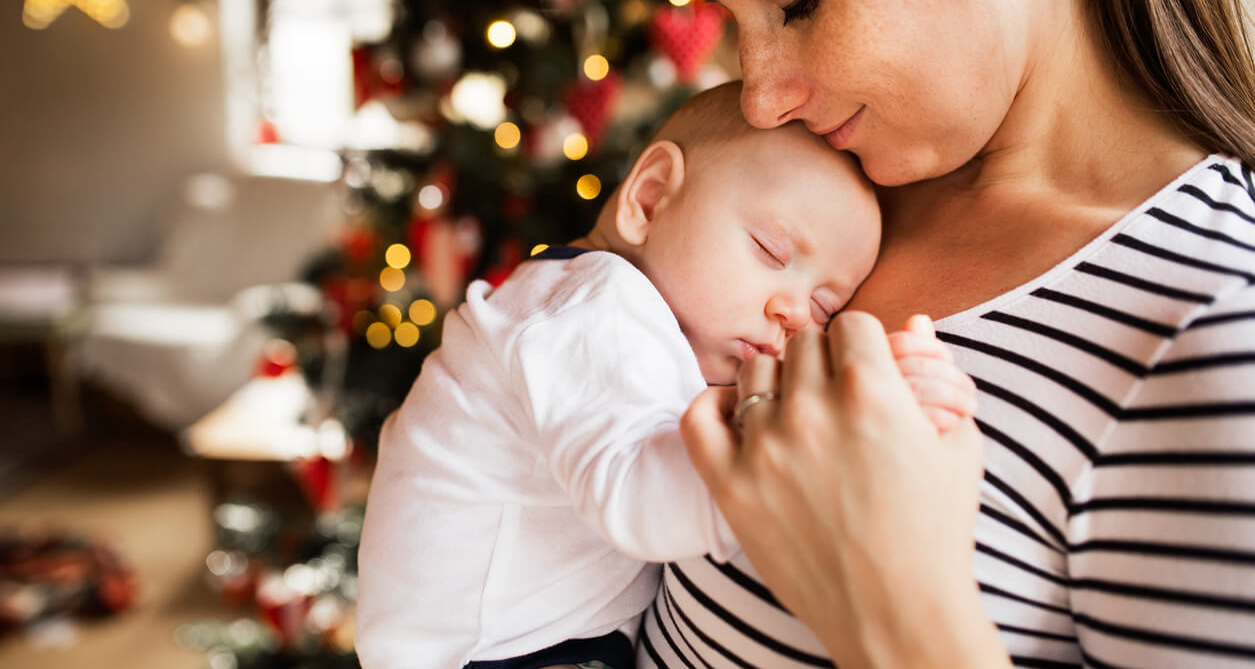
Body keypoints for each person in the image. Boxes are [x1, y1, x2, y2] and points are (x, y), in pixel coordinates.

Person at [638, 0, 1255, 667]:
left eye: (794, 1)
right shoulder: (816, 198)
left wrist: (894, 610)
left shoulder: (1211, 328)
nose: (758, 98)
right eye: (730, 17)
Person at [354, 83, 978, 669]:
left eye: (823, 307)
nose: (792, 313)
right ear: (650, 197)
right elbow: (637, 494)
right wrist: (824, 452)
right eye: (771, 252)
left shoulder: (610, 316)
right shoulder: (594, 308)